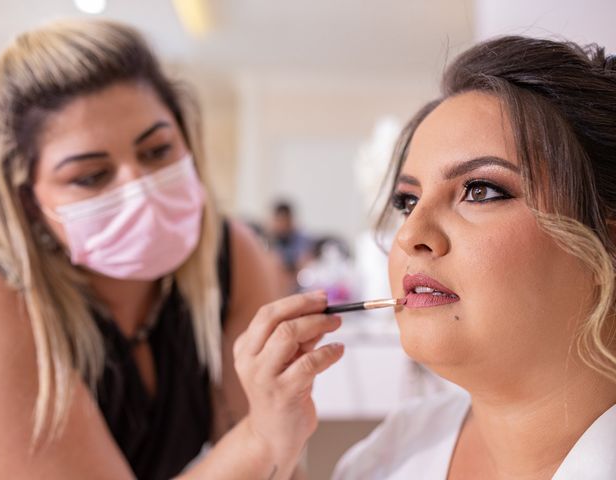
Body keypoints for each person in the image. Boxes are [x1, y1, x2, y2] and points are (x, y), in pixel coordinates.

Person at [0, 19, 343, 479]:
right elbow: (269, 444)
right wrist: (264, 437)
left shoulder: (230, 255)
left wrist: (274, 434)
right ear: (28, 201)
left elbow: (282, 470)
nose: (141, 187)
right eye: (91, 176)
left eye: (156, 151)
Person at [238, 35, 616, 478]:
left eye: (480, 191)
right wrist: (269, 442)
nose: (410, 235)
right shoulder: (388, 455)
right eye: (407, 202)